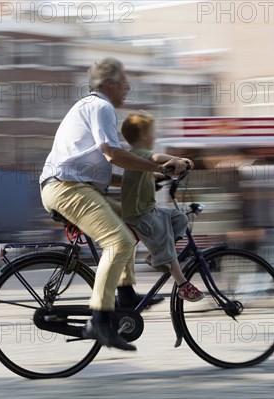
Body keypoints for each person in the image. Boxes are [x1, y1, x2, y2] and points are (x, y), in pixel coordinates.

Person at [39, 58, 189, 351]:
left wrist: (152, 177)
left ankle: (126, 295)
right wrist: (157, 167)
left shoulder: (91, 107)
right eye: (125, 83)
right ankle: (100, 319)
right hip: (67, 188)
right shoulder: (101, 106)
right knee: (119, 243)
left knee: (130, 222)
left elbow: (104, 169)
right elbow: (112, 154)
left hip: (76, 186)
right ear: (109, 84)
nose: (128, 89)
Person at [120, 112, 205, 302]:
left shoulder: (140, 161)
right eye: (152, 133)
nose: (154, 137)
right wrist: (176, 159)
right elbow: (156, 157)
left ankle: (156, 255)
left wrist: (165, 175)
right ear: (143, 135)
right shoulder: (139, 154)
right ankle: (182, 284)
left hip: (149, 210)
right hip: (139, 214)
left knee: (179, 218)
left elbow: (150, 174)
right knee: (165, 237)